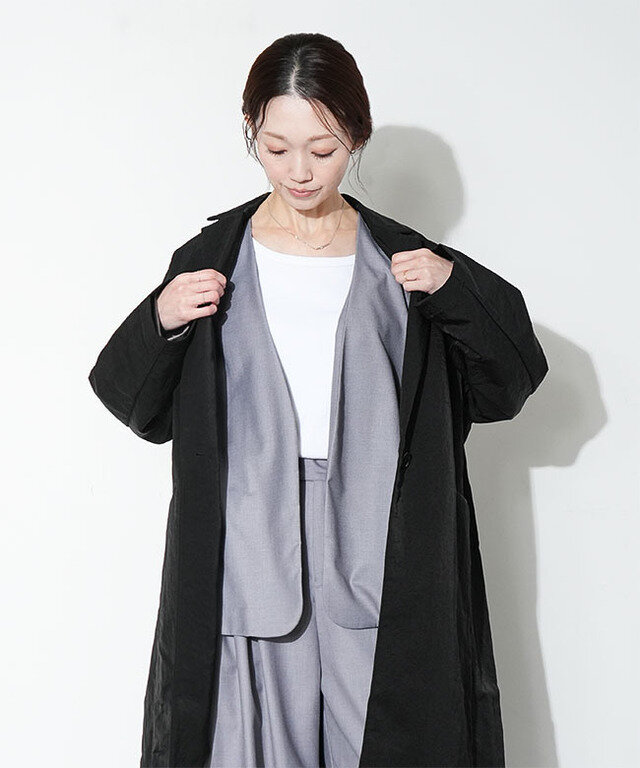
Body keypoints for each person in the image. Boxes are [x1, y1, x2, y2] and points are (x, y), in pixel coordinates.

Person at [88, 33, 548, 768]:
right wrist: (162, 319)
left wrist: (454, 289)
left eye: (323, 149)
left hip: (380, 547)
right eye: (276, 148)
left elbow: (509, 382)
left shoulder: (404, 261)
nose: (298, 171)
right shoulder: (211, 260)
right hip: (247, 549)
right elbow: (134, 403)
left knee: (397, 736)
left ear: (356, 137)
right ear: (251, 132)